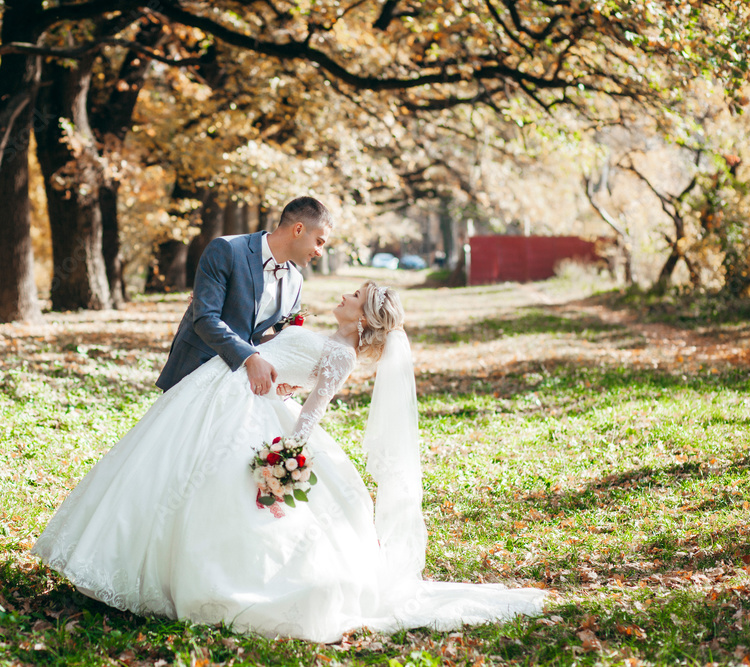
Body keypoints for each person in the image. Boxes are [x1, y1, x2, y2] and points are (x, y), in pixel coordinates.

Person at [31, 281, 547, 643]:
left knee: (212, 492)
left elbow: (314, 410)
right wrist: (281, 379)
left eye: (354, 297)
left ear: (362, 317)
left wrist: (283, 459)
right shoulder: (328, 339)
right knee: (170, 470)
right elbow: (295, 373)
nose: (344, 295)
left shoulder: (342, 353)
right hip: (232, 391)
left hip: (253, 414)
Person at [155, 196, 332, 395]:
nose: (319, 252)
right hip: (196, 371)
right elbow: (205, 319)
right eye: (319, 242)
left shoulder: (295, 281)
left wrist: (287, 375)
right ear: (298, 229)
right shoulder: (227, 250)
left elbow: (281, 339)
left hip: (241, 386)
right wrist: (251, 357)